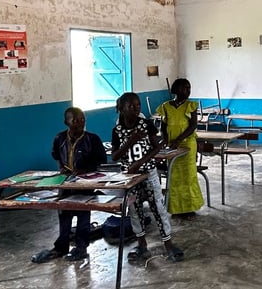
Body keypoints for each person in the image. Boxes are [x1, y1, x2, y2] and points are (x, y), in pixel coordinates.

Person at [112, 92, 183, 262]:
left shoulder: (146, 124)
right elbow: (115, 156)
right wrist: (130, 140)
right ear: (122, 109)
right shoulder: (117, 130)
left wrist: (141, 162)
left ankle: (168, 244)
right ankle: (141, 244)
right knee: (134, 210)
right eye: (131, 106)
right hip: (130, 177)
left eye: (138, 105)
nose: (136, 109)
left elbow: (157, 147)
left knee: (158, 207)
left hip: (148, 173)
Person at [31, 107, 106, 263]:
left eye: (82, 119)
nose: (80, 123)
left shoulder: (92, 139)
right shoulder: (60, 138)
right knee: (64, 213)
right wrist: (62, 169)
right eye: (75, 120)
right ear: (67, 122)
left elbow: (100, 161)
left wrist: (85, 170)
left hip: (85, 183)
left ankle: (81, 248)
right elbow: (57, 156)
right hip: (66, 182)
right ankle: (61, 247)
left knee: (83, 215)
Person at [156, 78, 204, 220]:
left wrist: (179, 140)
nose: (188, 91)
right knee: (173, 177)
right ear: (176, 90)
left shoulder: (191, 105)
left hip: (187, 144)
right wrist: (165, 139)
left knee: (188, 176)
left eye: (189, 88)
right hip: (172, 145)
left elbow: (192, 126)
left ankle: (189, 209)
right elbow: (163, 126)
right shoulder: (165, 106)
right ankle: (175, 209)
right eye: (184, 88)